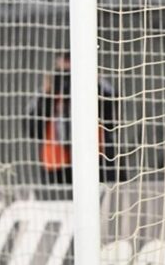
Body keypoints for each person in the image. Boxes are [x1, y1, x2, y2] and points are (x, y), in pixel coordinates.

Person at [25, 52, 120, 199]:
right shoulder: (47, 92)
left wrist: (95, 83)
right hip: (57, 164)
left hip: (95, 160)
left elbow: (113, 119)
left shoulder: (98, 89)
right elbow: (32, 130)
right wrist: (47, 94)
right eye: (63, 67)